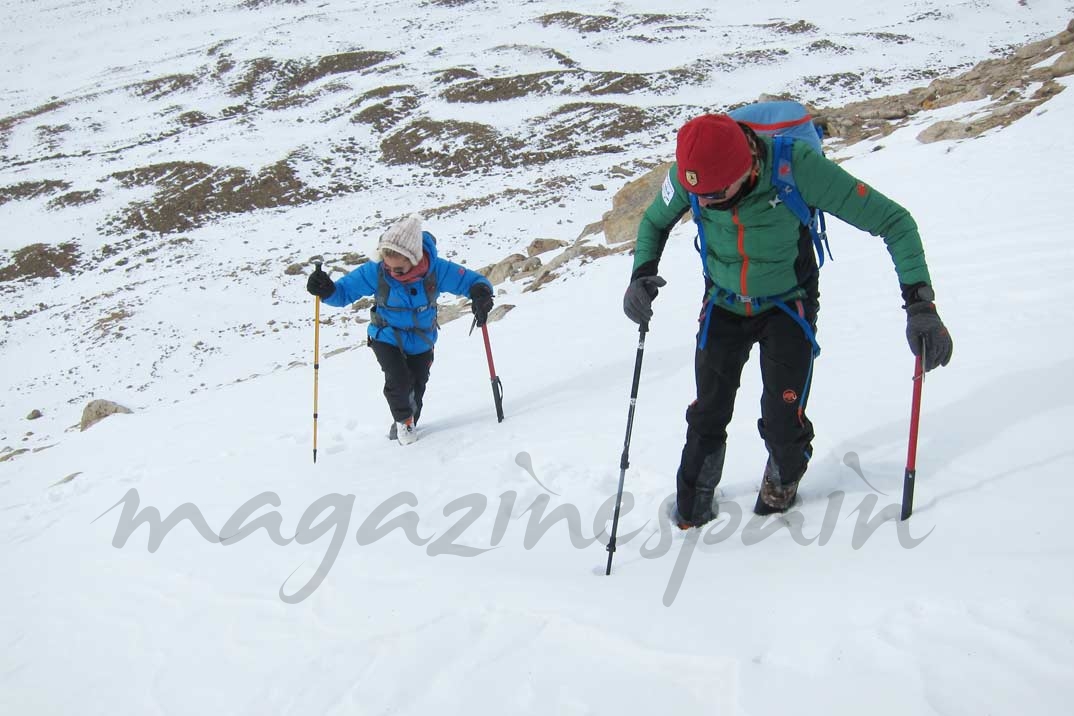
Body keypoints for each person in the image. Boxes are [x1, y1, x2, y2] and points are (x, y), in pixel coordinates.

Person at [623, 113, 953, 524]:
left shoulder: (796, 168)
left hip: (787, 305)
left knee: (782, 420)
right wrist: (640, 275)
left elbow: (894, 222)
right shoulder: (692, 178)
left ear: (745, 168)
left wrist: (920, 304)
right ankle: (691, 511)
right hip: (723, 304)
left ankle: (781, 491)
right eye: (697, 195)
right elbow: (654, 221)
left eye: (714, 195)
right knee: (708, 411)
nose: (702, 203)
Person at [306, 214, 494, 445]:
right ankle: (404, 426)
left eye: (400, 270)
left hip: (422, 339)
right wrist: (325, 290)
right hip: (385, 335)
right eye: (389, 266)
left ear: (415, 259)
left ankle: (407, 422)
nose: (393, 272)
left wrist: (481, 293)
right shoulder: (377, 271)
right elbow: (342, 294)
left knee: (417, 388)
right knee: (398, 379)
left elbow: (473, 281)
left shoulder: (437, 270)